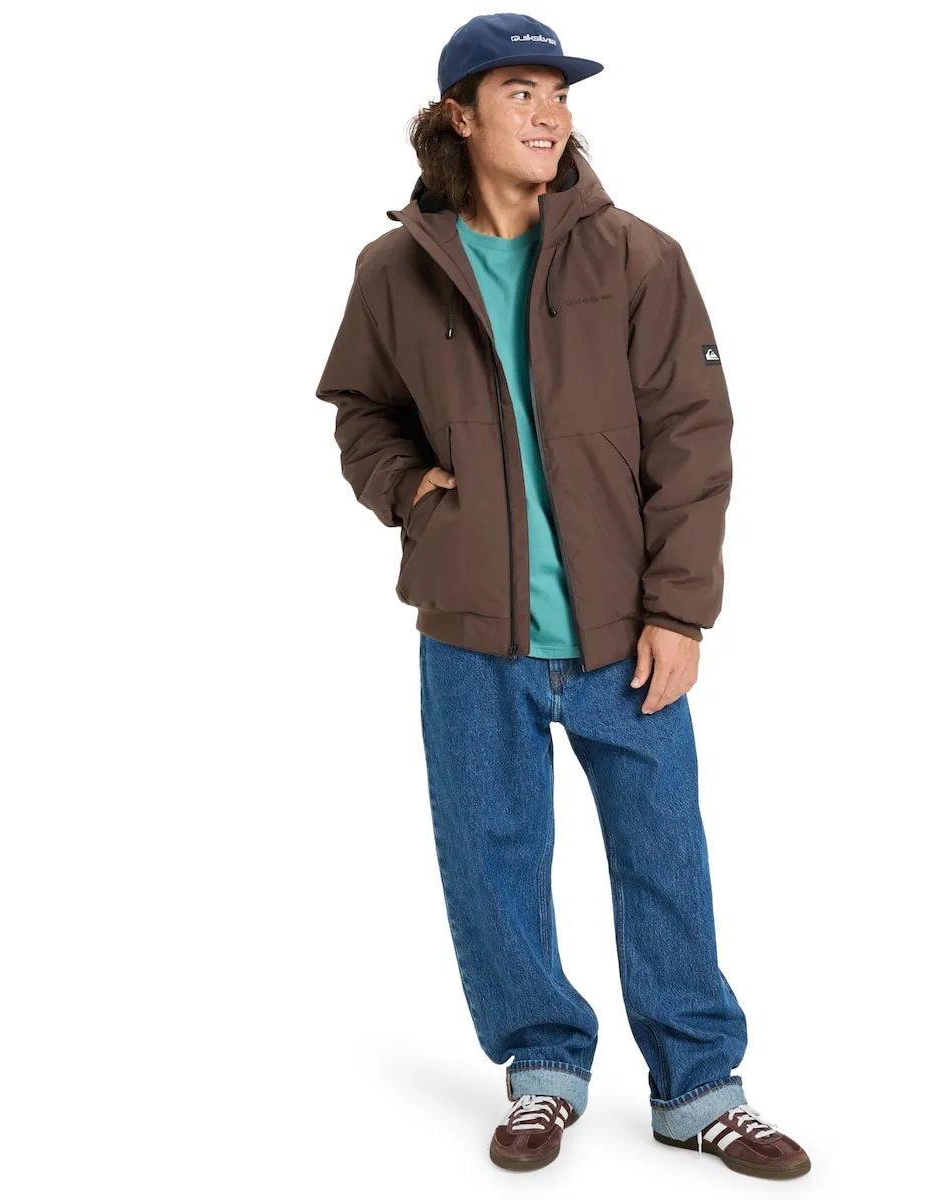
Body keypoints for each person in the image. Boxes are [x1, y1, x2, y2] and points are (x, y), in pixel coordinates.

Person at [314, 12, 810, 1179]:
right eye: (521, 93)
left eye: (561, 94)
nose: (549, 114)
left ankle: (699, 1087)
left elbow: (694, 438)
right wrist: (410, 491)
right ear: (459, 117)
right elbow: (359, 409)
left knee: (664, 854)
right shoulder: (395, 271)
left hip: (620, 630)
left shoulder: (637, 256)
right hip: (469, 632)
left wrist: (679, 610)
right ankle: (543, 1068)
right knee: (490, 858)